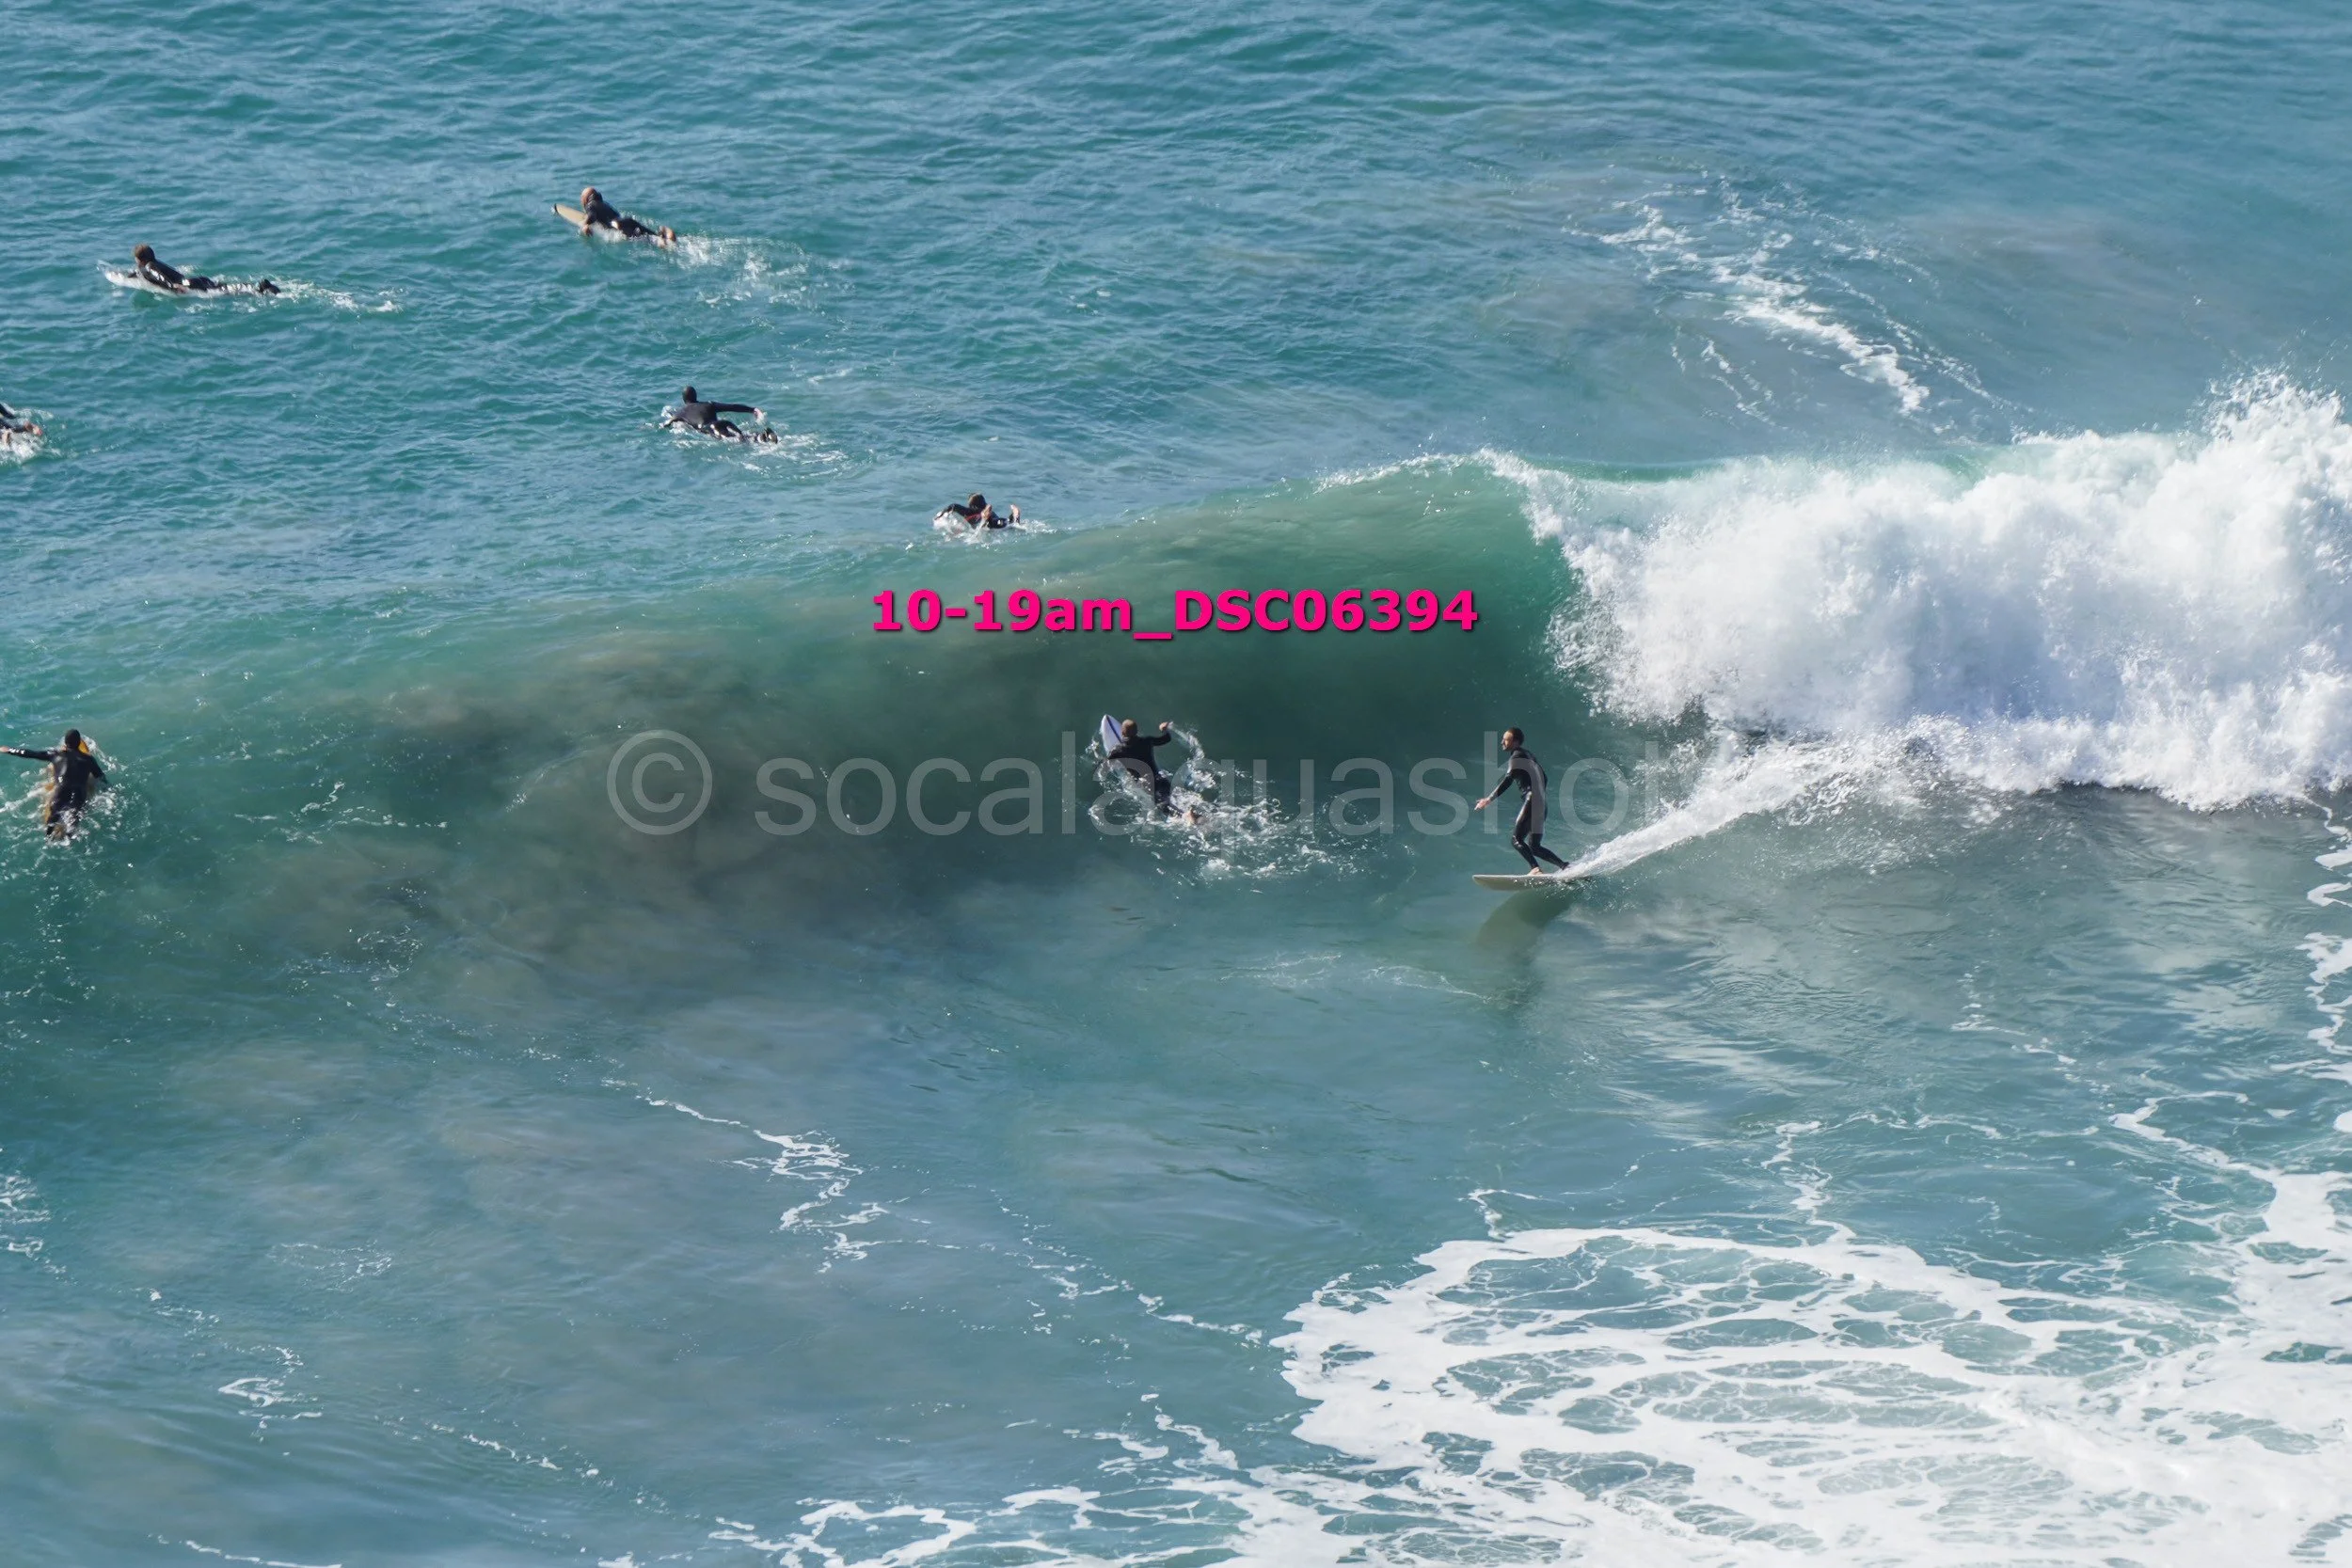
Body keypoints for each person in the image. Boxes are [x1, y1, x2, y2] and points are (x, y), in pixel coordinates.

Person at [1473, 727, 1569, 873]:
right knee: (1535, 847)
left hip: (1532, 800)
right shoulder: (1528, 755)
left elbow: (1508, 779)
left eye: (1506, 739)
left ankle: (1535, 868)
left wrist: (1489, 799)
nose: (1502, 742)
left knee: (1516, 839)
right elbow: (1545, 777)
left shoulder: (1516, 756)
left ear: (1516, 742)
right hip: (1542, 802)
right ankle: (1564, 866)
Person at [3, 730, 108, 840]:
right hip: (79, 794)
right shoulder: (89, 760)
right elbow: (100, 776)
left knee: (53, 817)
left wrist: (9, 750)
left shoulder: (55, 755)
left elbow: (30, 753)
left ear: (65, 744)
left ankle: (49, 837)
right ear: (78, 743)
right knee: (74, 819)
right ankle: (69, 839)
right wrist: (106, 788)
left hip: (61, 792)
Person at [132, 244, 278, 295]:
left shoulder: (150, 266)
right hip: (195, 280)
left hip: (189, 284)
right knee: (222, 287)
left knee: (224, 292)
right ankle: (257, 286)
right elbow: (142, 272)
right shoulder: (155, 263)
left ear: (141, 260)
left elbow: (159, 277)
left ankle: (258, 289)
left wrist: (172, 287)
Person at [1107, 719, 1177, 814]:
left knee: (1169, 811)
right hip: (1161, 780)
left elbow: (1106, 763)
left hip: (1150, 786)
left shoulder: (1119, 750)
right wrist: (1164, 729)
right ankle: (1190, 815)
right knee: (1175, 803)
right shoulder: (1148, 741)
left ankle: (1187, 816)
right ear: (1137, 731)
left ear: (1122, 732)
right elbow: (1167, 738)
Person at [662, 386, 776, 442]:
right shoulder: (709, 404)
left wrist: (665, 424)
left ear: (683, 399)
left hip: (711, 429)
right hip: (723, 423)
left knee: (739, 441)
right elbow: (732, 407)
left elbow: (667, 424)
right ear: (696, 396)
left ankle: (762, 438)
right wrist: (752, 409)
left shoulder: (680, 413)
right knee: (744, 436)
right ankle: (763, 435)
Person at [577, 187, 675, 245]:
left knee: (642, 240)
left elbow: (592, 216)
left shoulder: (591, 205)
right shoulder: (605, 204)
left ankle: (661, 242)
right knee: (650, 237)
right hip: (627, 221)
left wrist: (585, 225)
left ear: (585, 199)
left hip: (619, 227)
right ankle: (665, 236)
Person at [942, 493, 1018, 530]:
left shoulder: (969, 512)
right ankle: (1015, 516)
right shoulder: (990, 512)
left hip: (982, 520)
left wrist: (941, 515)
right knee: (1008, 523)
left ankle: (986, 517)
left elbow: (953, 506)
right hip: (997, 521)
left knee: (988, 523)